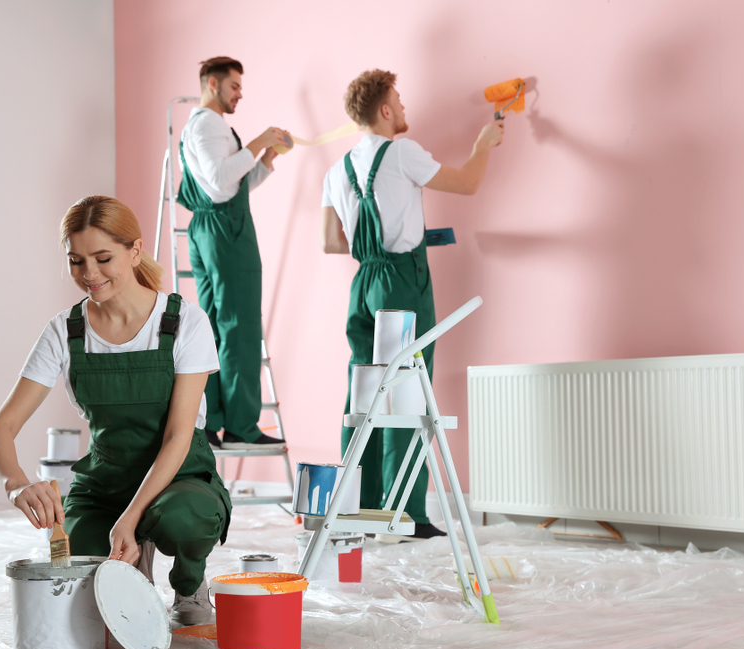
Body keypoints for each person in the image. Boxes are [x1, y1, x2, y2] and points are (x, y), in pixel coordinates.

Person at [0, 196, 230, 626]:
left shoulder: (184, 323)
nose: (89, 274)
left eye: (103, 258)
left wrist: (129, 519)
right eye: (76, 261)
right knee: (85, 584)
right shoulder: (66, 330)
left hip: (181, 475)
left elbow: (177, 437)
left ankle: (190, 587)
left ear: (134, 251)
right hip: (105, 481)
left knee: (183, 519)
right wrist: (15, 484)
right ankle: (133, 573)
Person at [320, 69, 504, 540]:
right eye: (398, 101)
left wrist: (381, 245)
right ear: (384, 110)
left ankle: (358, 505)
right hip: (402, 282)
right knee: (405, 391)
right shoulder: (403, 152)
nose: (403, 109)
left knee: (363, 393)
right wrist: (484, 143)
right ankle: (404, 514)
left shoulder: (336, 170)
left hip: (363, 284)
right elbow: (466, 184)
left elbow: (331, 242)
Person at [178, 55, 287, 451]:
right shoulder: (208, 124)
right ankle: (241, 425)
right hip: (227, 231)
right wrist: (259, 141)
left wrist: (267, 160)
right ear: (212, 84)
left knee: (213, 329)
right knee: (239, 328)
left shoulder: (205, 126)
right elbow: (222, 177)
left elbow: (228, 186)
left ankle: (210, 422)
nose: (240, 93)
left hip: (211, 226)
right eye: (235, 86)